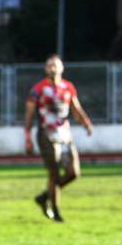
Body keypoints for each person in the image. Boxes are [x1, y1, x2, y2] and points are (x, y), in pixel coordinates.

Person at [23, 54, 93, 222]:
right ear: (45, 69)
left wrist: (86, 123)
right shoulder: (38, 89)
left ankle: (44, 197)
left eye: (55, 65)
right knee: (53, 174)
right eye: (49, 66)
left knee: (74, 173)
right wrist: (27, 136)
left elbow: (75, 108)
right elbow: (29, 114)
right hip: (46, 134)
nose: (52, 68)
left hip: (65, 134)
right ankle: (55, 211)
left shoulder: (68, 87)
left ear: (62, 68)